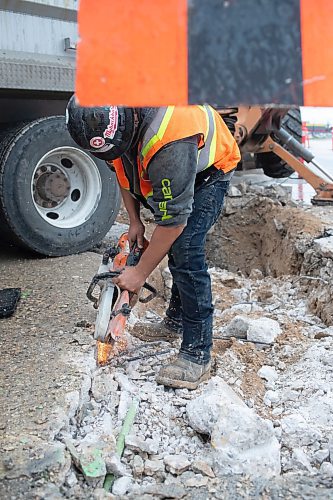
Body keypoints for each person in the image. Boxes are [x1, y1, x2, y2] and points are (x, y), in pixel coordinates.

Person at [66, 99, 240, 389]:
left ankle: (198, 352)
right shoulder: (114, 123)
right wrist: (135, 221)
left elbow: (173, 220)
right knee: (174, 246)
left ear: (130, 121)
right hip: (177, 163)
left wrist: (139, 273)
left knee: (185, 249)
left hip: (210, 173)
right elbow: (123, 169)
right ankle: (174, 323)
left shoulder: (169, 135)